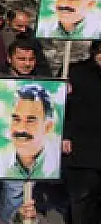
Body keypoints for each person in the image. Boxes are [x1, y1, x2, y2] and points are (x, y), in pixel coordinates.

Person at [0, 83, 60, 179]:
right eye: (16, 119)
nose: (21, 128)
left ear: (48, 127)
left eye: (30, 120)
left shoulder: (57, 166)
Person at [64, 40, 101, 224]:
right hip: (82, 149)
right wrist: (64, 135)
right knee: (82, 201)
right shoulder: (75, 72)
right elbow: (61, 107)